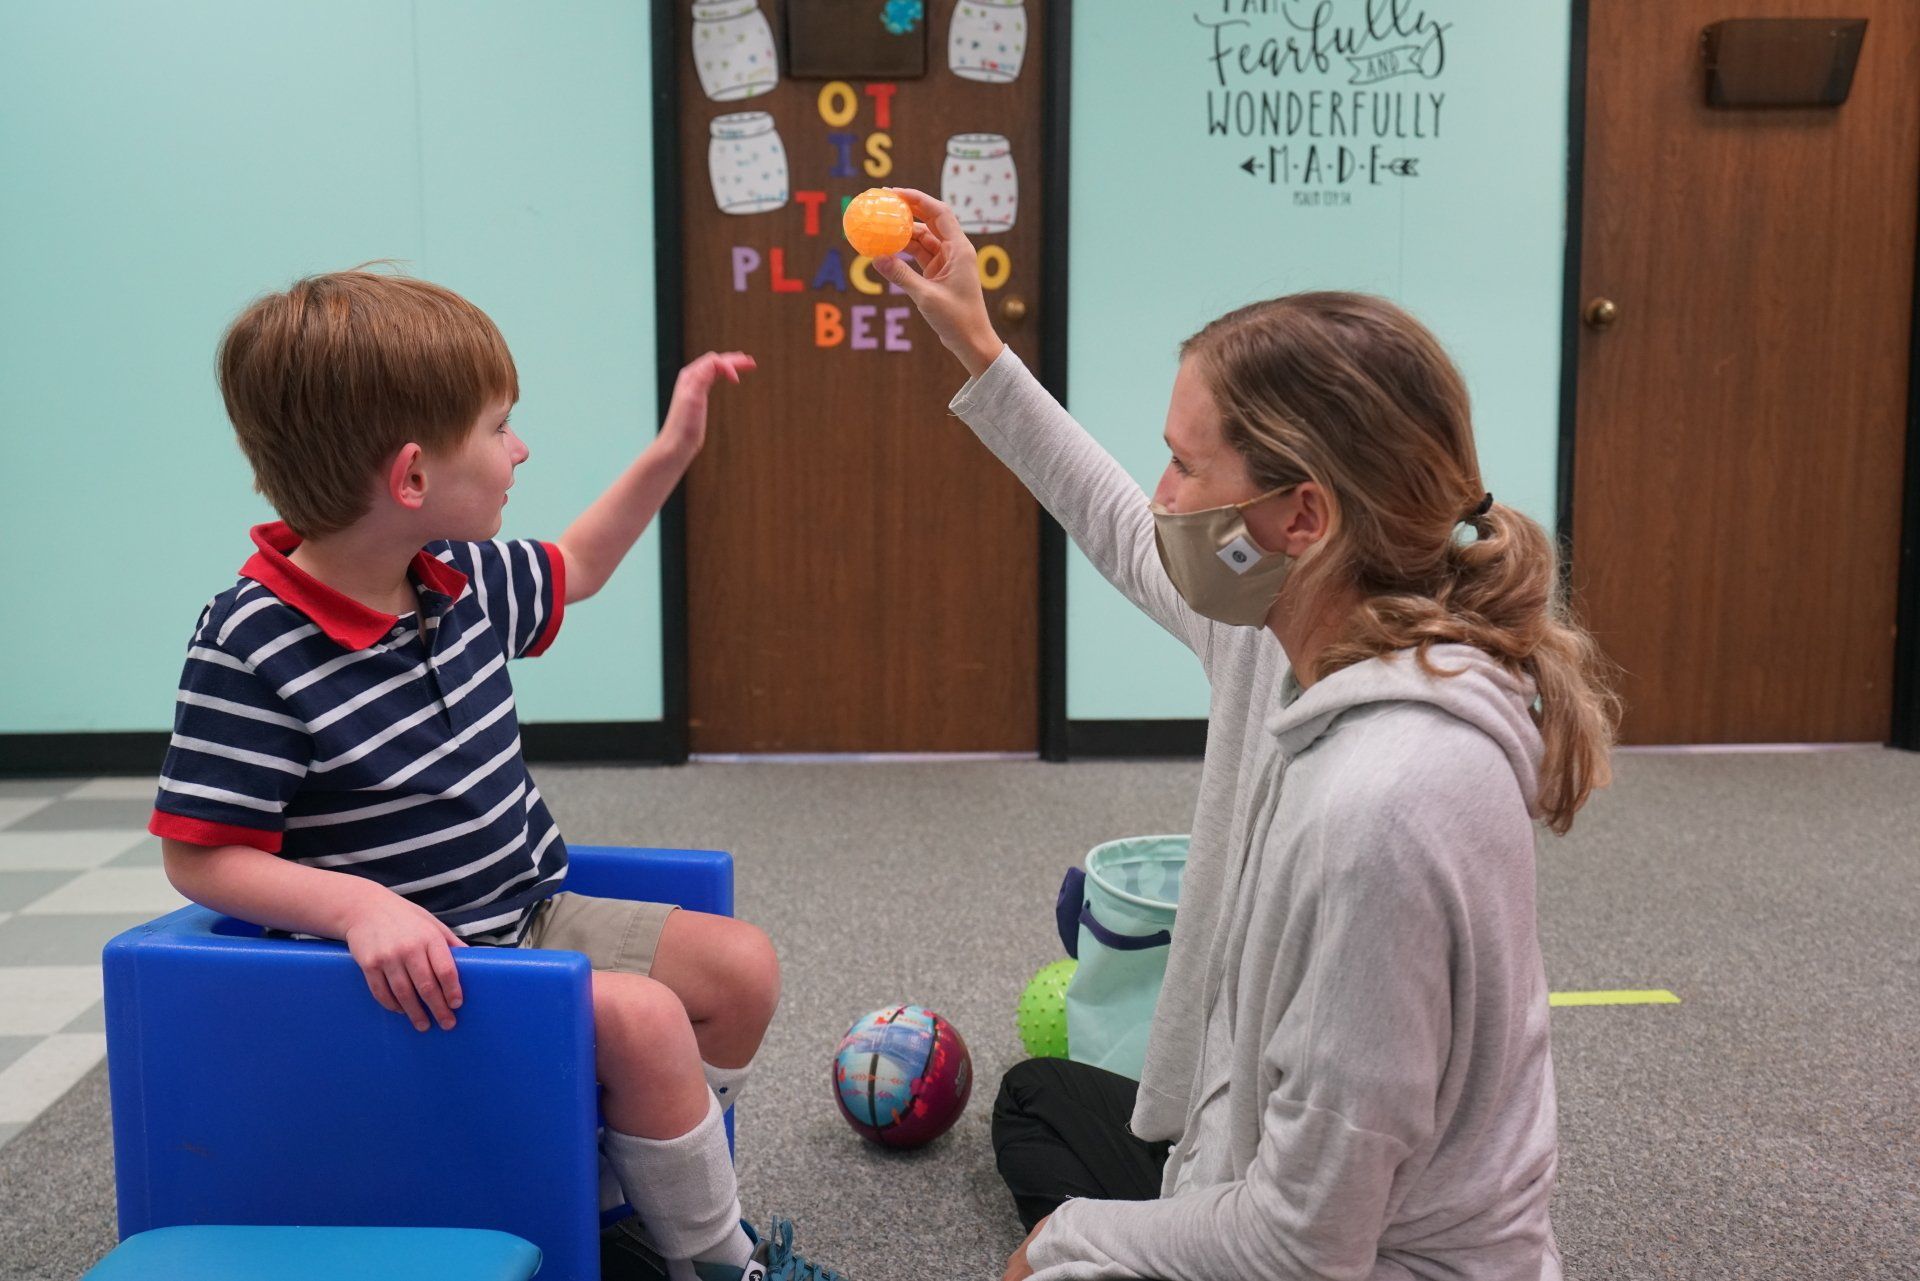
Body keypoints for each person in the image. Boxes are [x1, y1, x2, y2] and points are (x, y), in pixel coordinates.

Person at [876, 190, 1618, 1281]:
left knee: (1065, 1245)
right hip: (1261, 1166)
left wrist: (1075, 1237)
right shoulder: (1286, 621)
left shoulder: (1386, 806)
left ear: (1302, 518)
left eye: (1185, 465)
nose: (1164, 498)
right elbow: (1122, 528)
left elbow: (1306, 1246)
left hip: (1356, 1257)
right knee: (1041, 1102)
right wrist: (977, 344)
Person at [149, 269, 842, 1281]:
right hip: (404, 984)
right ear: (414, 479)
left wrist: (671, 451)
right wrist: (356, 909)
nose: (519, 450)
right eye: (499, 427)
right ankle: (714, 1261)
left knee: (741, 967)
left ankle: (618, 1200)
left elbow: (581, 564)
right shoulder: (251, 640)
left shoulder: (455, 577)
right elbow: (200, 859)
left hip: (522, 920)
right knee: (645, 1022)